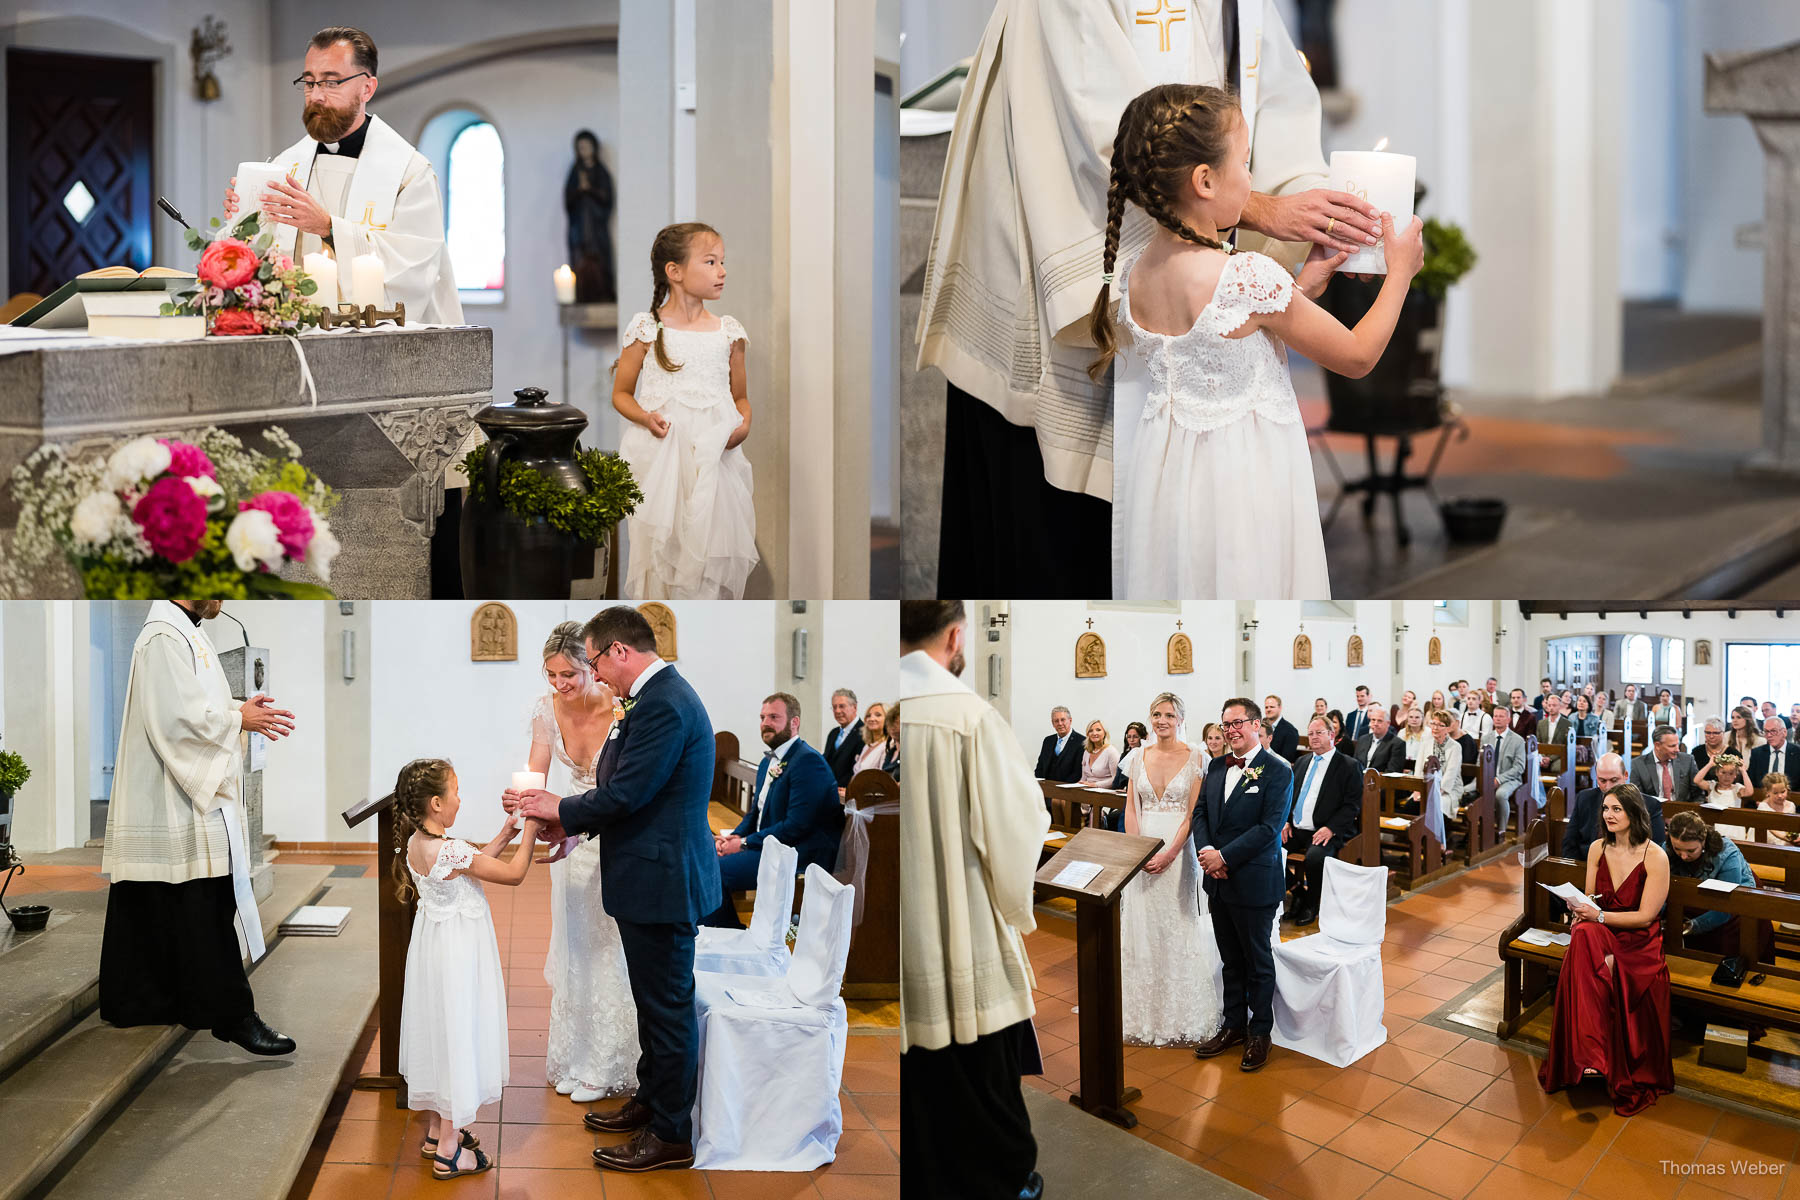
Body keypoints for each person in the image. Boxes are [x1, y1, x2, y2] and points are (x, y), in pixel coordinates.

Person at [919, 0, 1368, 598]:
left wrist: (1321, 216)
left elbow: (1279, 94)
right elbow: (1113, 122)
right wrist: (1261, 208)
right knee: (1064, 554)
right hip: (1064, 246)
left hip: (1186, 273)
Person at [1097, 84, 1420, 596]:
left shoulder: (1138, 273)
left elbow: (1234, 334)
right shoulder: (1245, 274)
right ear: (1204, 180)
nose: (1251, 179)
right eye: (1245, 163)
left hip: (1171, 487)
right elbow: (1357, 357)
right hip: (1242, 485)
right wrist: (1400, 271)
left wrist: (1305, 284)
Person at [507, 607, 722, 1173]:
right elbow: (623, 790)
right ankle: (651, 1100)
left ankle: (672, 1133)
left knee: (667, 1008)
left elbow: (627, 792)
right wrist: (569, 821)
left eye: (598, 661)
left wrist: (560, 808)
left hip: (663, 879)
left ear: (619, 652)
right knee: (653, 1005)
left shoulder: (664, 705)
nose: (597, 675)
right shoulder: (652, 700)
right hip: (649, 873)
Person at [99, 600, 298, 1055]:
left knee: (174, 901)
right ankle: (233, 1016)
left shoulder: (186, 630)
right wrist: (238, 719)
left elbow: (195, 705)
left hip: (179, 791)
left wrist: (235, 710)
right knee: (201, 906)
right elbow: (175, 720)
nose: (223, 598)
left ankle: (150, 1000)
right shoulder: (164, 636)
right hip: (172, 796)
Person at [899, 601, 1047, 1200]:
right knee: (980, 1081)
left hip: (910, 941)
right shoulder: (970, 717)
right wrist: (1016, 912)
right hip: (961, 928)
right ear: (957, 635)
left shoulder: (893, 716)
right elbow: (1016, 829)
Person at [223, 27, 460, 322]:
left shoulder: (409, 174)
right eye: (309, 83)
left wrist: (328, 227)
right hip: (297, 334)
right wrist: (244, 216)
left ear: (367, 89)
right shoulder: (287, 165)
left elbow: (413, 271)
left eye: (331, 83)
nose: (316, 96)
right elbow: (261, 260)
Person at [392, 759, 542, 1180]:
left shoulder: (420, 844)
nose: (461, 798)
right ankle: (449, 1151)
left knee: (442, 1031)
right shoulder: (450, 849)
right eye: (456, 792)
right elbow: (511, 874)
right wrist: (531, 829)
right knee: (459, 1033)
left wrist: (505, 833)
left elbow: (471, 865)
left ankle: (437, 1128)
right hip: (460, 954)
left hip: (436, 951)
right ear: (437, 803)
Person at [614, 222, 758, 600]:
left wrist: (743, 425)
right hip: (663, 459)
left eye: (722, 262)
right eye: (710, 262)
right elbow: (622, 393)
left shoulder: (729, 333)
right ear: (674, 272)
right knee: (663, 550)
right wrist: (646, 417)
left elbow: (740, 397)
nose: (722, 271)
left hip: (714, 460)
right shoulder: (648, 329)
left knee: (708, 552)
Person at [527, 623, 637, 1105]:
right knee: (574, 942)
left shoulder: (620, 708)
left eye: (569, 673)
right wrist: (523, 812)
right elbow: (536, 770)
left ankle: (608, 1063)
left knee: (607, 942)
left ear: (592, 666)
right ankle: (575, 1055)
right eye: (551, 675)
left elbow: (625, 788)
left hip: (612, 831)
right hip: (568, 835)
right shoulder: (546, 708)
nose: (560, 685)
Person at [1538, 783, 1672, 1117]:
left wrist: (1596, 916)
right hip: (1602, 930)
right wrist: (1578, 912)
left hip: (1638, 940)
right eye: (1605, 809)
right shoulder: (1597, 848)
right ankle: (1591, 1056)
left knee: (1588, 944)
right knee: (1582, 935)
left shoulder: (1655, 856)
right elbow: (1589, 899)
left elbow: (1646, 917)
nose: (1608, 816)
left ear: (1634, 814)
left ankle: (1591, 1053)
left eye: (1617, 810)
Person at [1190, 697, 1292, 1072]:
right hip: (1217, 880)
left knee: (1256, 961)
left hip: (1252, 880)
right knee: (1229, 959)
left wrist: (1225, 857)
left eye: (1237, 723)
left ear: (1254, 725)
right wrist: (1206, 852)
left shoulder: (1277, 770)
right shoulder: (1217, 767)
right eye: (1225, 724)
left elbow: (1268, 828)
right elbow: (1200, 812)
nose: (1230, 730)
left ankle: (1260, 1032)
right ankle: (1233, 1025)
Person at [1121, 693, 1223, 1045]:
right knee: (1143, 929)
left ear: (1181, 718)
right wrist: (1138, 851)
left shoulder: (1196, 757)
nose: (1161, 720)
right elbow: (1131, 808)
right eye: (1156, 714)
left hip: (1178, 853)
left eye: (1168, 714)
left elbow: (1192, 813)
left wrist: (1169, 854)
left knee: (1176, 927)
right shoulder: (1137, 756)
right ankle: (1141, 1012)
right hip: (1142, 850)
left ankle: (1179, 1012)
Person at [704, 693, 840, 929]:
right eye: (762, 717)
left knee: (712, 872)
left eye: (774, 717)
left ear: (794, 722)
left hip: (795, 854)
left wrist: (745, 843)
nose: (765, 723)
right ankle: (718, 934)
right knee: (703, 860)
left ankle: (732, 936)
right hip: (769, 845)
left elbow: (796, 826)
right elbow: (755, 813)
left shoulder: (808, 762)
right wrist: (733, 837)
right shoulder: (769, 761)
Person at [1284, 715, 1362, 926]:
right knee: (1266, 848)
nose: (1314, 737)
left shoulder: (1348, 765)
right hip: (1297, 828)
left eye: (1319, 733)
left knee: (1315, 858)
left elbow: (1352, 805)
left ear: (1331, 735)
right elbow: (1290, 796)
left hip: (1327, 829)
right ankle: (1296, 891)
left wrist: (1331, 828)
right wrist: (1286, 821)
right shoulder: (1301, 762)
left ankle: (1311, 903)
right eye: (1311, 733)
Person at [1666, 811, 1763, 959]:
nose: (1683, 856)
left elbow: (1726, 907)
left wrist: (1691, 926)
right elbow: (1659, 889)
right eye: (1677, 849)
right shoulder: (1665, 849)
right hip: (1695, 899)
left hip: (1734, 905)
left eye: (1691, 850)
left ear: (1703, 841)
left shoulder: (1727, 853)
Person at [1563, 754, 1665, 860]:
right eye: (1602, 781)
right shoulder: (1584, 798)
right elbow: (1569, 843)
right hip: (1587, 863)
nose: (1608, 787)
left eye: (1614, 780)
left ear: (1625, 775)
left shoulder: (1650, 805)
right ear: (1596, 778)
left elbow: (1655, 850)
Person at [566, 129, 616, 304]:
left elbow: (607, 197)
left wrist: (590, 190)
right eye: (581, 147)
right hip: (579, 229)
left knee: (599, 261)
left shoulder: (600, 172)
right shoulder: (575, 172)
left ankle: (602, 293)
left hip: (596, 228)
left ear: (594, 148)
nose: (584, 150)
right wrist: (580, 190)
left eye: (587, 146)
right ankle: (583, 294)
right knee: (581, 261)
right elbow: (568, 199)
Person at [1630, 726, 1696, 805]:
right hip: (1652, 813)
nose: (1677, 750)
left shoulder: (1687, 760)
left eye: (1677, 745)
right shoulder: (1638, 764)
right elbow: (1637, 798)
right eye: (1672, 746)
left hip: (1682, 811)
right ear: (1657, 745)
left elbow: (1698, 793)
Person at [1492, 706, 1526, 835]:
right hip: (1489, 777)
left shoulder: (1518, 740)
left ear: (1508, 720)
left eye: (1501, 716)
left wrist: (1499, 779)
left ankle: (1501, 830)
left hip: (1511, 779)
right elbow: (1480, 763)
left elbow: (1519, 767)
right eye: (1495, 716)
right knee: (1467, 790)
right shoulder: (1487, 738)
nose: (1498, 719)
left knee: (1500, 795)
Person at [823, 689, 866, 786]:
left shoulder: (864, 733)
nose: (837, 711)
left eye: (842, 706)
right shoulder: (833, 733)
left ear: (854, 707)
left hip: (849, 793)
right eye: (834, 707)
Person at [1749, 716, 1800, 794]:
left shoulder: (1797, 753)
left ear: (1784, 732)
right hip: (1762, 801)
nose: (1769, 735)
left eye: (1773, 731)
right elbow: (1752, 782)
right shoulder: (1757, 753)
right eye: (1766, 731)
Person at [1034, 706, 1085, 782]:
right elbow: (1040, 767)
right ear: (1053, 723)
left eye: (1063, 720)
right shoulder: (1048, 740)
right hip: (1046, 787)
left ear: (1070, 721)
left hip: (1068, 789)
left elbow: (1078, 772)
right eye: (1056, 721)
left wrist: (1061, 788)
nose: (1060, 723)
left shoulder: (1082, 741)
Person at [1352, 703, 1404, 773]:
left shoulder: (1397, 744)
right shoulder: (1362, 739)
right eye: (1373, 720)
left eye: (1379, 721)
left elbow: (1392, 772)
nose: (1375, 723)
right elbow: (1355, 764)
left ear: (1388, 723)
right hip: (1360, 780)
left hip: (1382, 782)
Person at [852, 701, 893, 777]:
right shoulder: (867, 746)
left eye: (878, 715)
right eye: (868, 716)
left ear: (888, 719)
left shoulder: (889, 745)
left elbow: (883, 778)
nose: (871, 718)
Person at [1758, 775, 1798, 845]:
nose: (1780, 796)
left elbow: (1792, 826)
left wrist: (1794, 836)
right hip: (1766, 840)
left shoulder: (1791, 805)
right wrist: (1783, 837)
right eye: (1775, 793)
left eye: (1783, 792)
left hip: (1786, 840)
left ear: (1787, 789)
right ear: (1767, 792)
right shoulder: (1763, 806)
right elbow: (1769, 827)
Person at [1113, 720, 1151, 788]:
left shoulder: (1147, 755)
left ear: (1143, 737)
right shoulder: (1124, 755)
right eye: (1129, 737)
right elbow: (1116, 781)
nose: (1131, 740)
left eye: (1135, 737)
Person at [1264, 695, 1300, 761]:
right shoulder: (1260, 727)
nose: (1268, 709)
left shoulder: (1290, 731)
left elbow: (1286, 759)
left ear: (1280, 708)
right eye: (1266, 707)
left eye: (1272, 707)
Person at [1400, 706, 1431, 771]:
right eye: (1411, 717)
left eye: (1417, 717)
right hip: (1404, 766)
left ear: (1422, 719)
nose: (1414, 720)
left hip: (1422, 766)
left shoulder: (1428, 733)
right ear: (1407, 719)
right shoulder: (1402, 732)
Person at [882, 705, 901, 781]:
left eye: (897, 723)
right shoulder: (890, 752)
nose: (893, 727)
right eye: (891, 723)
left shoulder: (912, 752)